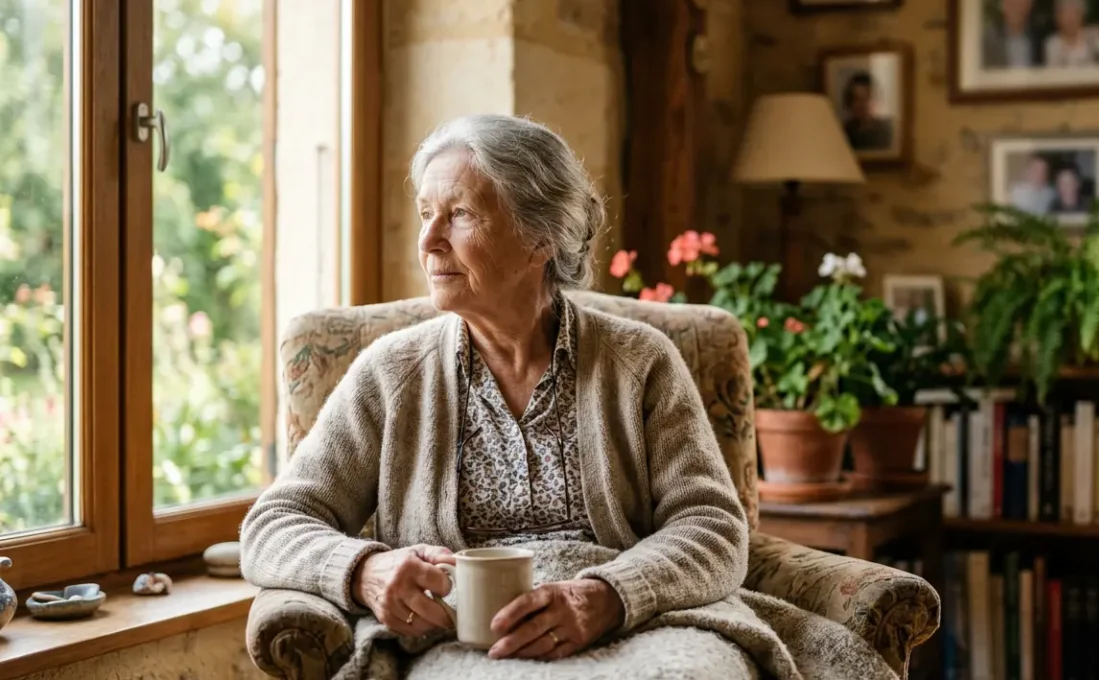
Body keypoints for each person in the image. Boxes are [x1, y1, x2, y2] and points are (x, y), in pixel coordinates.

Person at [239, 114, 752, 675]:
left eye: (459, 215)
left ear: (541, 239)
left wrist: (607, 596)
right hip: (468, 641)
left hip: (636, 622)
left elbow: (713, 525)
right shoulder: (391, 374)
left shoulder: (639, 362)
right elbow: (273, 524)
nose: (429, 241)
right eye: (426, 214)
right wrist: (364, 569)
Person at [1044, 0, 1099, 67]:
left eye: (1075, 12)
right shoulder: (1052, 43)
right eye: (1065, 13)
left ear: (1082, 15)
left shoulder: (1094, 36)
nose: (1070, 19)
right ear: (1058, 18)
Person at [840, 72, 893, 151]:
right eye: (857, 99)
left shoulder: (888, 130)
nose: (862, 104)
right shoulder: (844, 132)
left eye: (866, 98)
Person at [982, 0, 1040, 69]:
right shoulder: (990, 40)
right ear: (1003, 7)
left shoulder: (1038, 40)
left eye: (1020, 5)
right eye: (1012, 4)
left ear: (1029, 6)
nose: (1016, 10)